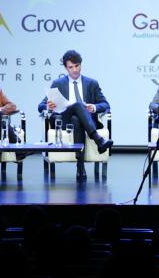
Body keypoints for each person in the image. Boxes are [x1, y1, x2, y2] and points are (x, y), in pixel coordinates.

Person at [38, 49, 113, 182]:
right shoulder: (58, 83)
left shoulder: (92, 83)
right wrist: (48, 106)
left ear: (81, 64)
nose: (74, 70)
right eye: (71, 67)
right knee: (77, 106)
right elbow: (40, 106)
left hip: (85, 120)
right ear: (66, 68)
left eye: (77, 65)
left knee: (77, 118)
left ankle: (80, 166)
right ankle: (98, 140)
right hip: (64, 119)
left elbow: (105, 104)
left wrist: (94, 107)